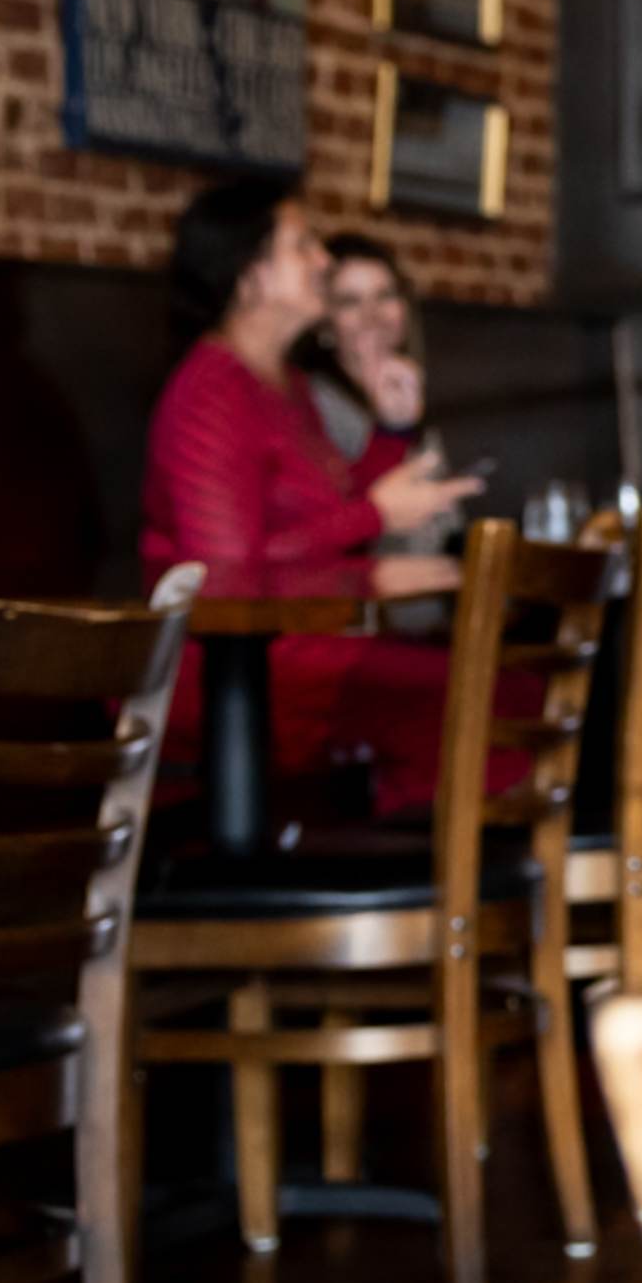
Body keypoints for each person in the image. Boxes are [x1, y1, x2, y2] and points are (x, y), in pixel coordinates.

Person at [140, 178, 484, 817]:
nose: (323, 260)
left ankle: (411, 869)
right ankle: (397, 874)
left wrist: (391, 430)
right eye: (303, 245)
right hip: (231, 682)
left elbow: (335, 514)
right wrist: (374, 563)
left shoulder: (286, 381)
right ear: (252, 278)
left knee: (506, 689)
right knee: (492, 697)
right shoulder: (212, 393)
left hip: (307, 655)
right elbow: (226, 579)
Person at [304, 232, 459, 566]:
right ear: (323, 324)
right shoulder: (313, 402)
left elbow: (445, 523)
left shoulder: (407, 391)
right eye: (349, 301)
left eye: (385, 295)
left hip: (433, 593)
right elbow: (332, 530)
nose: (372, 314)